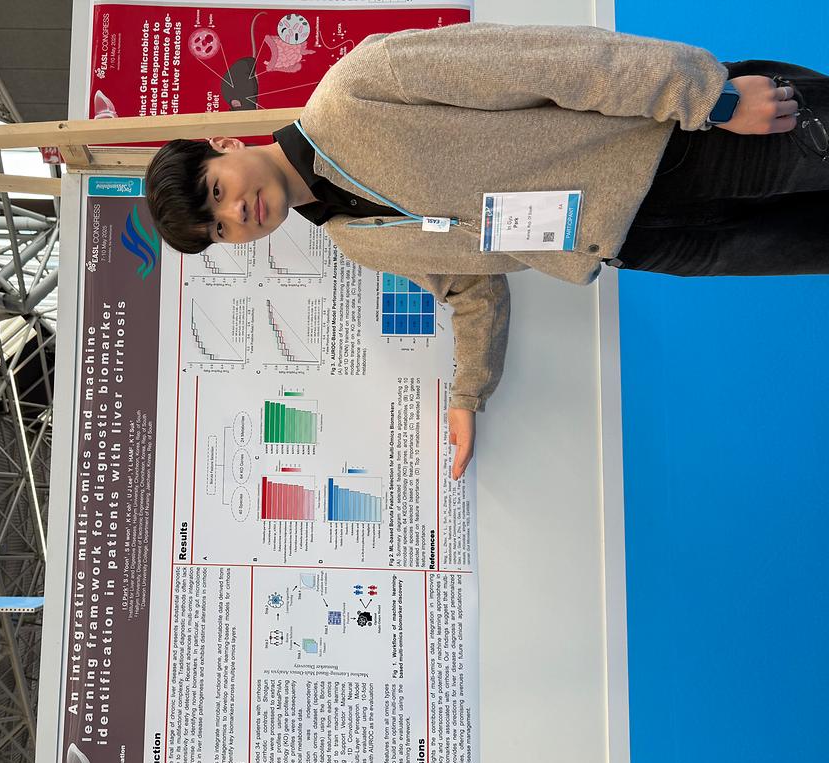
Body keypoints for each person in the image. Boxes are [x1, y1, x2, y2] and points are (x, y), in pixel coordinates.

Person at [144, 22, 829, 478]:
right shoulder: (354, 240)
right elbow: (469, 287)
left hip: (683, 146)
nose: (235, 213)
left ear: (225, 146)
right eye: (220, 230)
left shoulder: (359, 86)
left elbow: (550, 61)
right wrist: (468, 392)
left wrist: (710, 97)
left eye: (216, 191)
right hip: (650, 243)